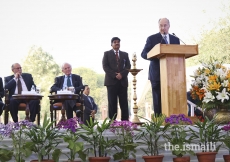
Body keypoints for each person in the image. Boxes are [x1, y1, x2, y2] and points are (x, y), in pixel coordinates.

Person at [141, 18, 180, 115]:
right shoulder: (152, 38)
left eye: (165, 25)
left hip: (172, 74)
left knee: (172, 97)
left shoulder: (175, 39)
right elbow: (144, 54)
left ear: (169, 26)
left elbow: (179, 54)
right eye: (161, 26)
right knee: (158, 98)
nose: (163, 28)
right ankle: (158, 120)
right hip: (157, 74)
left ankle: (172, 118)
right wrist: (155, 55)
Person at [102, 37, 131, 121]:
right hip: (111, 82)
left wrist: (121, 74)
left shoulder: (125, 54)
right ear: (111, 44)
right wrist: (115, 75)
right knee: (112, 103)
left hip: (123, 82)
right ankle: (112, 122)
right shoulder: (106, 54)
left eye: (118, 42)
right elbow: (105, 66)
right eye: (115, 42)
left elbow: (128, 66)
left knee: (124, 103)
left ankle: (125, 122)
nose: (117, 43)